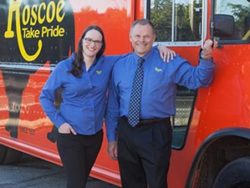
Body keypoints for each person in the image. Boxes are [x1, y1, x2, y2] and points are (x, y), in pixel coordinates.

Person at [39, 24, 175, 188]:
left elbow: (137, 52)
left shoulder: (108, 63)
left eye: (97, 41)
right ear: (82, 41)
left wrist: (157, 46)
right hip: (70, 136)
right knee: (76, 182)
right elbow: (45, 97)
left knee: (82, 179)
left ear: (102, 45)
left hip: (94, 136)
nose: (92, 44)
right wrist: (60, 123)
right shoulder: (64, 67)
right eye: (89, 39)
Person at [106, 19, 215, 188]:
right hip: (126, 131)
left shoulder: (168, 60)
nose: (141, 40)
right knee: (130, 183)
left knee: (157, 183)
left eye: (146, 36)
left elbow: (198, 79)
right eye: (137, 36)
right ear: (130, 37)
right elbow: (113, 105)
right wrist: (112, 138)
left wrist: (206, 57)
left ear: (154, 37)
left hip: (156, 132)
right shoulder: (120, 65)